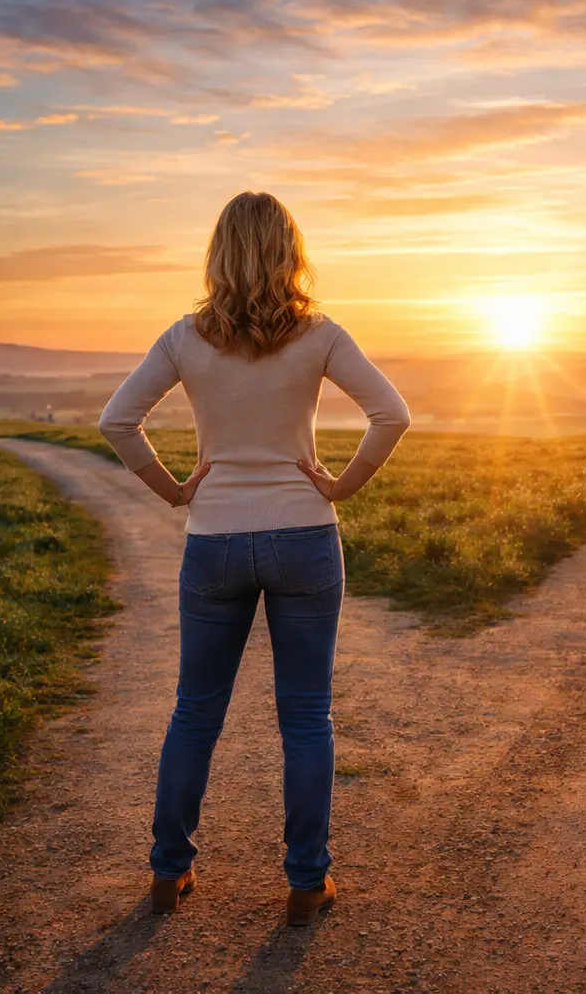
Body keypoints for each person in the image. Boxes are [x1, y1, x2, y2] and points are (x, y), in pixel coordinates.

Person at [98, 191, 410, 924]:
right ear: (288, 251)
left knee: (195, 711)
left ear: (219, 254)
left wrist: (174, 491)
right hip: (304, 535)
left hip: (214, 542)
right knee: (306, 717)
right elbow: (391, 412)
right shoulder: (320, 333)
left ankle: (169, 873)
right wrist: (343, 485)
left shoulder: (184, 336)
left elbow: (117, 419)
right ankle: (307, 881)